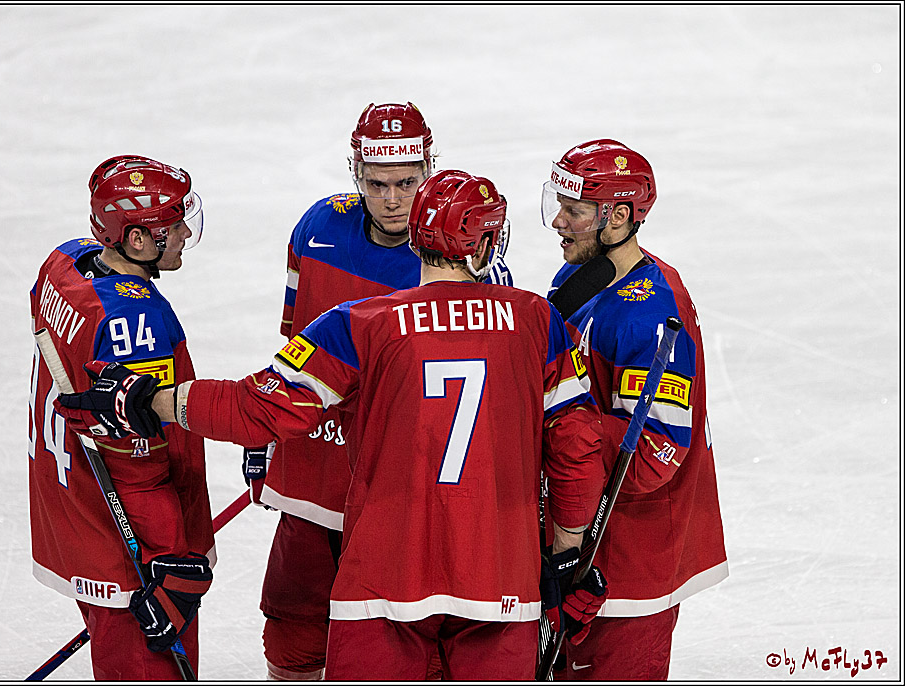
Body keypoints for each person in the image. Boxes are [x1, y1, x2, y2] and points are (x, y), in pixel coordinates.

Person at [55, 170, 608, 680]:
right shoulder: (541, 321)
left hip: (383, 579)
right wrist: (566, 550)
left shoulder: (359, 323)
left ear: (414, 238)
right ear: (487, 245)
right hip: (500, 579)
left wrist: (152, 398)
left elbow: (258, 409)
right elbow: (577, 445)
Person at [243, 102, 512, 680]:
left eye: (407, 184)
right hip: (315, 453)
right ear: (355, 173)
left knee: (408, 620)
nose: (392, 199)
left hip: (403, 473)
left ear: (429, 168)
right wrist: (267, 427)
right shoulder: (317, 229)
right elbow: (292, 332)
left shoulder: (463, 248)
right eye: (376, 184)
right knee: (295, 610)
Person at [540, 139, 729, 680]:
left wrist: (557, 426)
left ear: (618, 216)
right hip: (579, 540)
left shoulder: (650, 315)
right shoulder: (577, 282)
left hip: (629, 564)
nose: (558, 221)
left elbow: (654, 452)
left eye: (573, 211)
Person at [28, 155, 214, 680]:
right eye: (172, 225)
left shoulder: (63, 264)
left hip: (72, 506)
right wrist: (168, 558)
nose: (182, 233)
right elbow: (138, 460)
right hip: (129, 539)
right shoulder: (134, 321)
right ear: (136, 241)